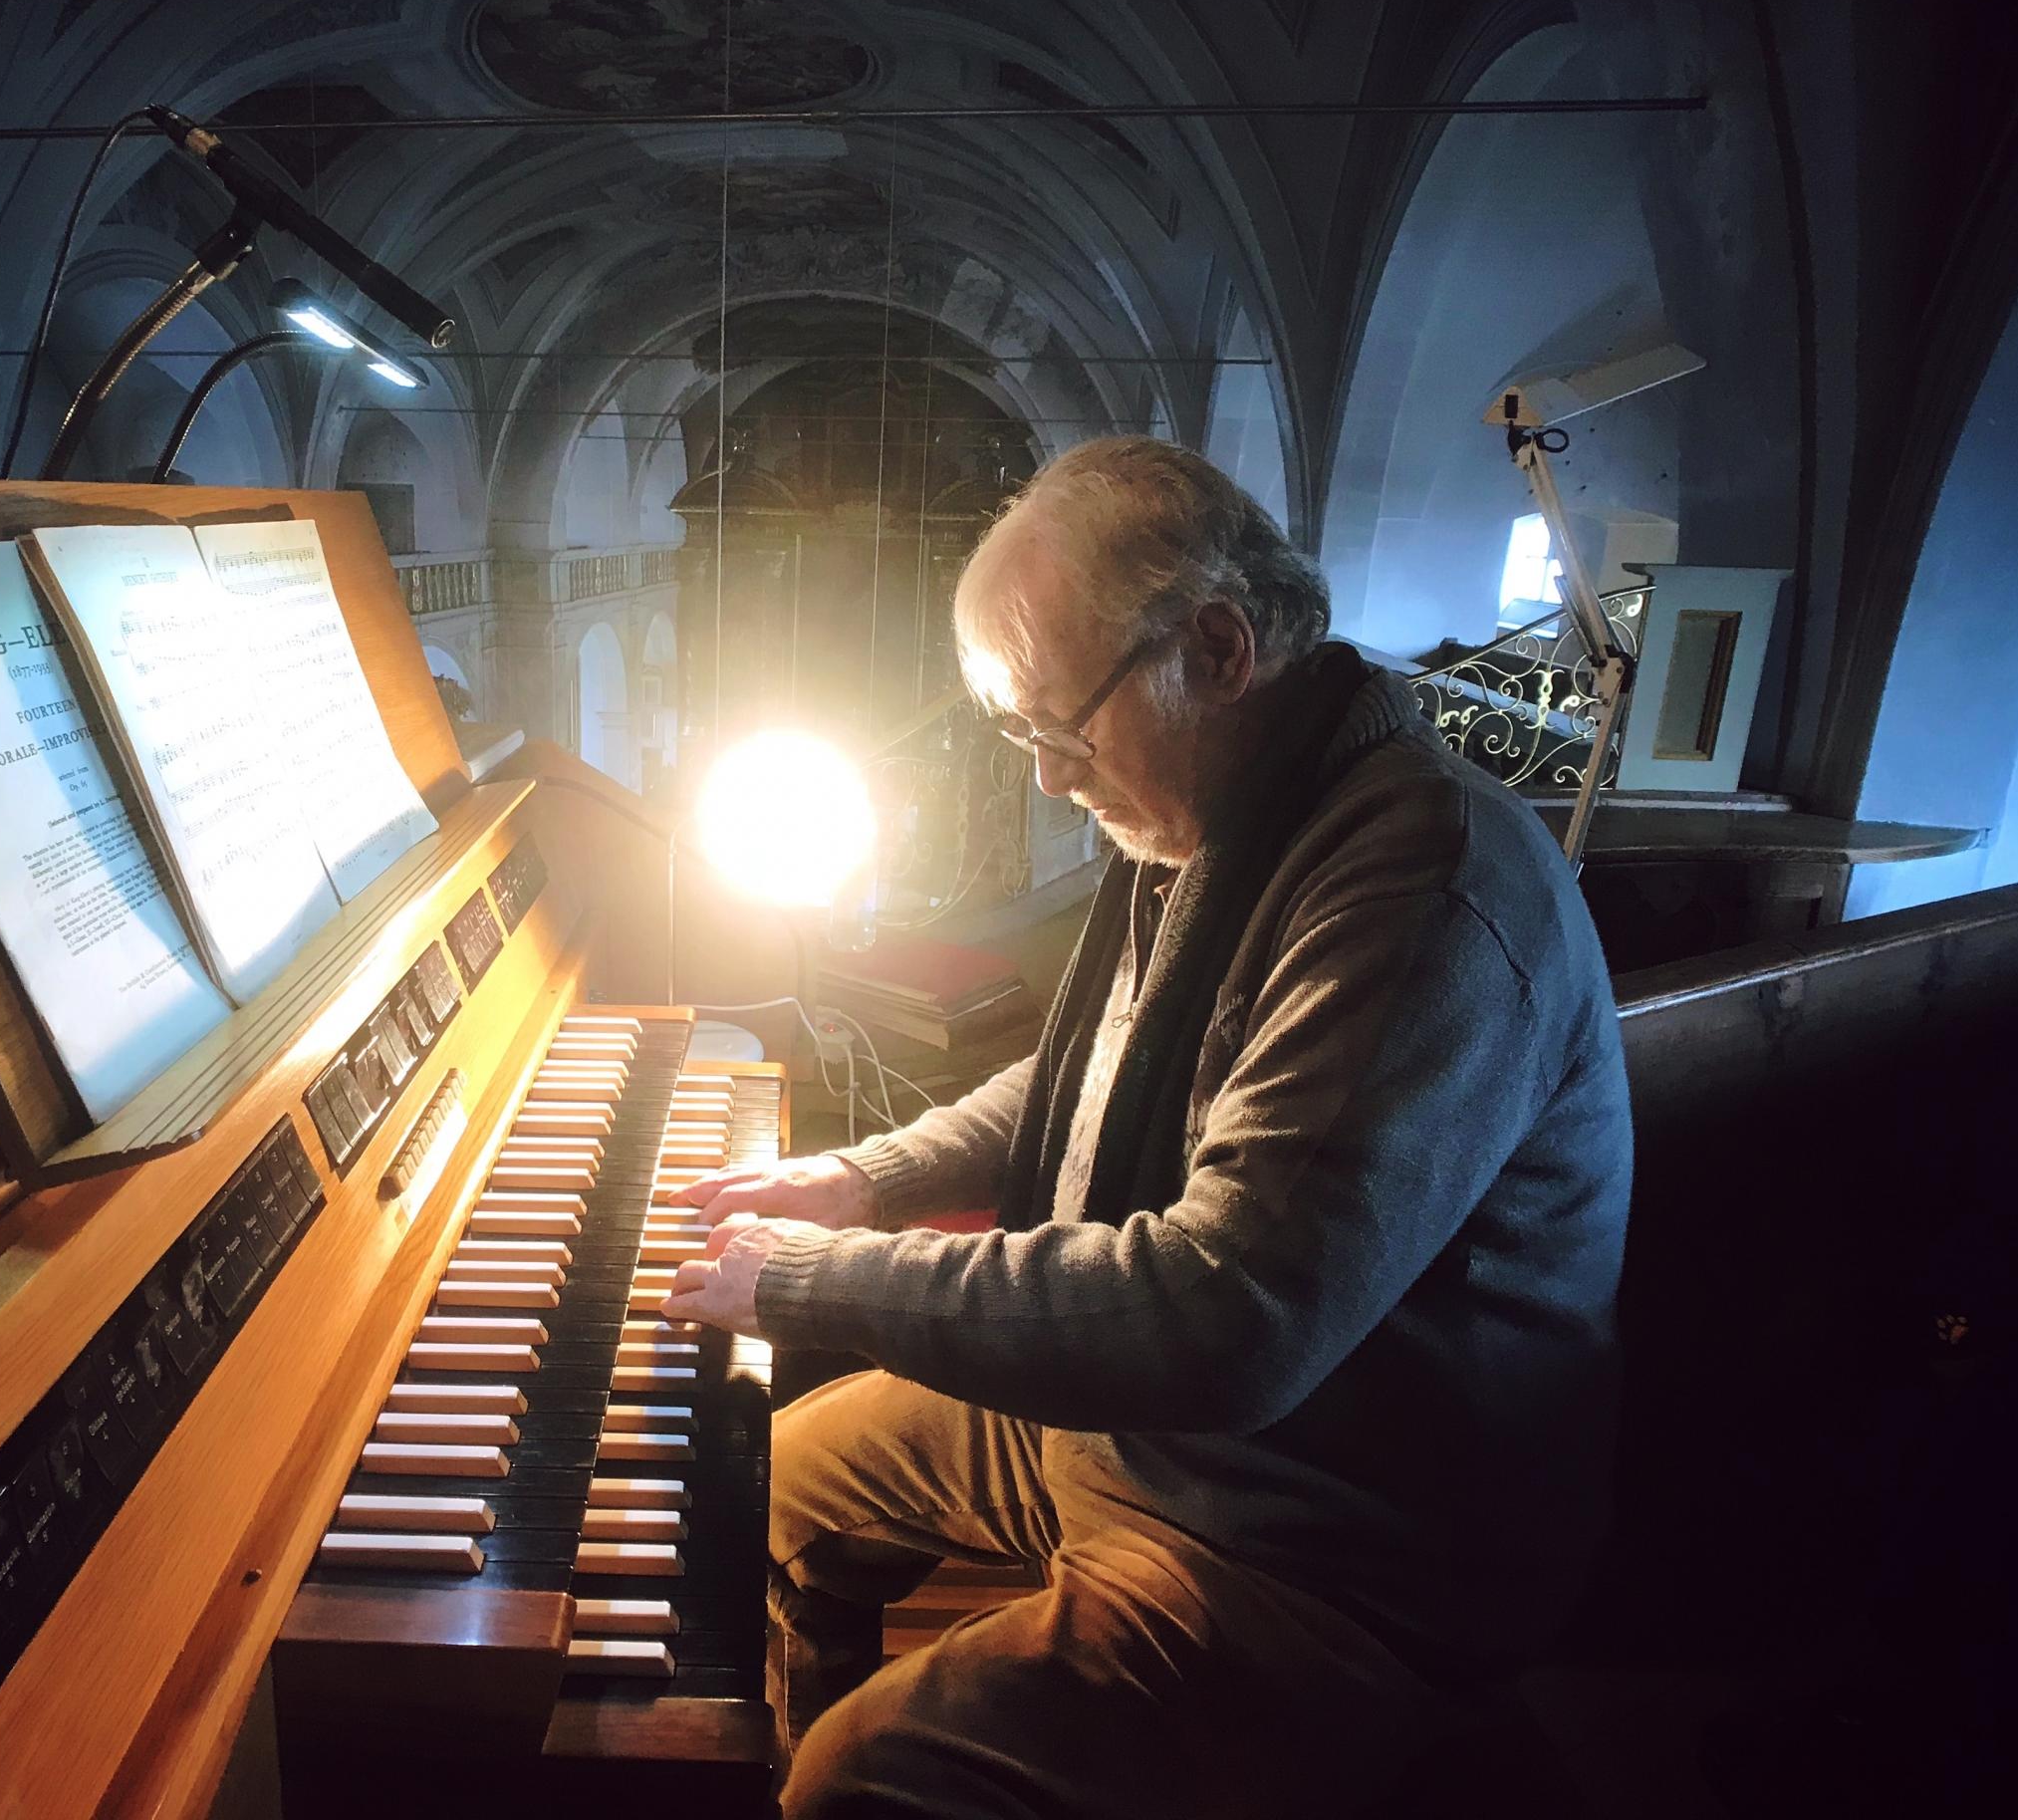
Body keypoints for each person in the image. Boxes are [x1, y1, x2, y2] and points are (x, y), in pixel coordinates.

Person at [663, 435, 1633, 1817]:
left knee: (866, 1778)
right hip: (1153, 1441)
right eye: (1023, 737)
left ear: (1220, 648)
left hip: (1327, 1545)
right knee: (759, 1481)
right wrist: (865, 1180)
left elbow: (1231, 1314)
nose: (1050, 779)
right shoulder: (1215, 817)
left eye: (1061, 727)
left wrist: (814, 1279)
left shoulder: (1420, 887)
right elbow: (1077, 1081)